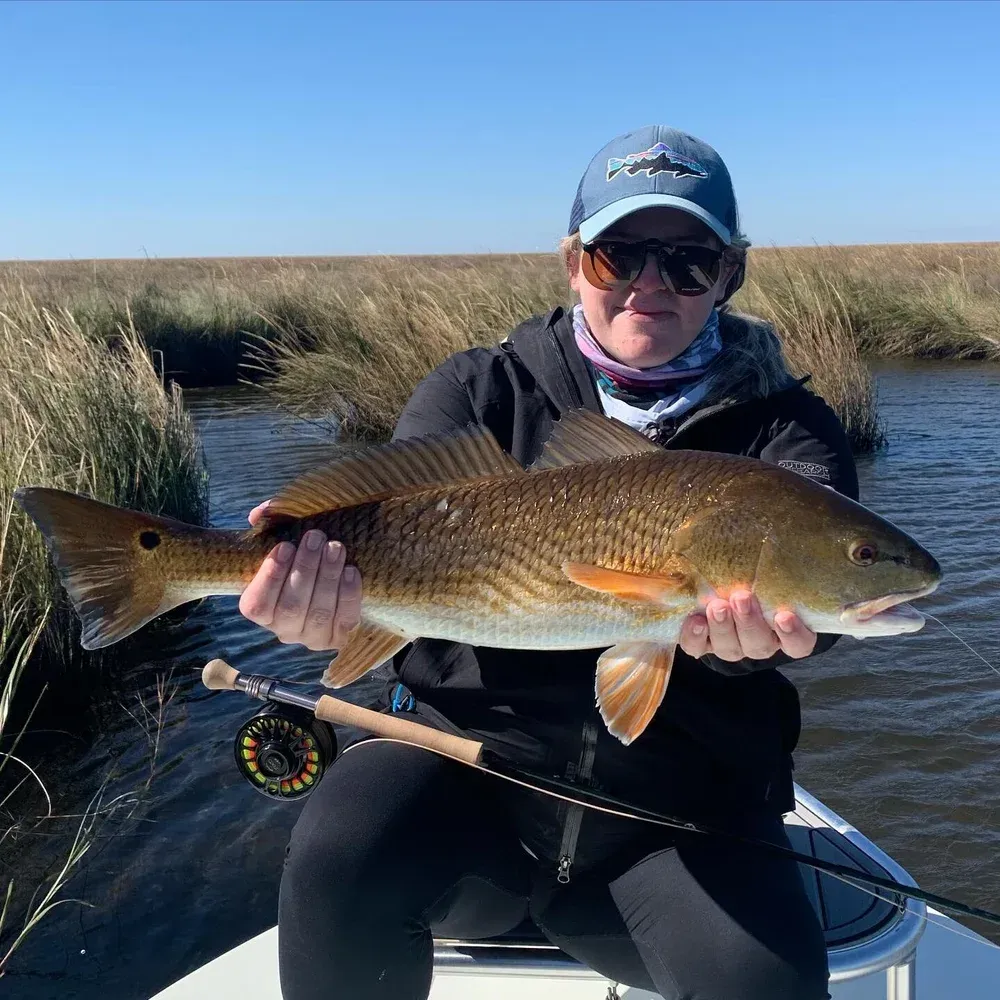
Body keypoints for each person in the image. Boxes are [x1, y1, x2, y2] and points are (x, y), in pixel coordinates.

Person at [239, 125, 858, 1000]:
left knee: (766, 984)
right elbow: (378, 534)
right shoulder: (477, 390)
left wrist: (784, 637)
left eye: (687, 262)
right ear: (574, 261)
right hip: (459, 783)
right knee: (341, 849)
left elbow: (824, 590)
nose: (651, 284)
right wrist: (315, 600)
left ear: (730, 275)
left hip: (672, 827)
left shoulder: (788, 432)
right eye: (619, 255)